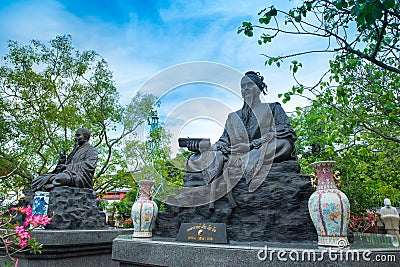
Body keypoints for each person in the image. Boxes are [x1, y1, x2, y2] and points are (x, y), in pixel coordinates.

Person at [166, 71, 297, 208]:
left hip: (259, 149)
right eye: (243, 86)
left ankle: (243, 163)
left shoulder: (273, 108)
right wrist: (205, 147)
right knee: (195, 158)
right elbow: (224, 141)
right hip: (233, 154)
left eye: (250, 85)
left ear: (259, 88)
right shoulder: (233, 117)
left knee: (284, 144)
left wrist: (251, 145)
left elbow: (284, 131)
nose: (246, 88)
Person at [31, 128, 98, 191]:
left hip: (80, 177)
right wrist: (62, 161)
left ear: (85, 137)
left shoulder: (92, 150)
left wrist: (68, 167)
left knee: (62, 178)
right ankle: (52, 183)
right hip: (67, 173)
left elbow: (89, 165)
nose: (76, 138)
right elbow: (64, 166)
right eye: (75, 136)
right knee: (38, 179)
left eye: (78, 136)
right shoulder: (75, 150)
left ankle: (51, 184)